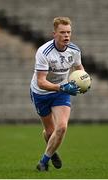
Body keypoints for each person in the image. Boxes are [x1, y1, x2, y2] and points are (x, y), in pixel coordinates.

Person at [30, 16, 86, 171]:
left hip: (61, 92)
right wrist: (62, 88)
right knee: (50, 131)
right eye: (62, 32)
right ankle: (52, 151)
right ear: (54, 33)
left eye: (68, 32)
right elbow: (41, 81)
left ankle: (43, 161)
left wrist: (84, 80)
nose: (66, 36)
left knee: (61, 127)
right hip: (41, 92)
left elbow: (79, 68)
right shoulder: (44, 52)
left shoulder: (74, 50)